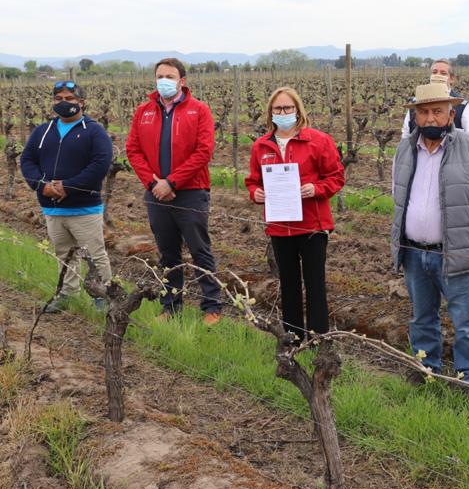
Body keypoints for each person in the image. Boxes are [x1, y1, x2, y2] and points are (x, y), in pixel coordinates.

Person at [391, 82, 469, 403]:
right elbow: (398, 196)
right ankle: (427, 369)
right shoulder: (404, 151)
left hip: (455, 253)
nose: (430, 118)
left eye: (437, 111)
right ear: (415, 116)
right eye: (423, 112)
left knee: (465, 320)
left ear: (451, 114)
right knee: (421, 317)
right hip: (414, 253)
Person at [125, 57, 222, 324]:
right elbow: (133, 149)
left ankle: (212, 307)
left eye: (169, 76)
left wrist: (173, 181)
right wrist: (153, 183)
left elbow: (204, 151)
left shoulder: (199, 110)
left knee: (199, 249)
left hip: (190, 191)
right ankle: (171, 306)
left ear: (182, 81)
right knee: (167, 252)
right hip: (155, 192)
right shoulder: (144, 111)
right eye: (159, 76)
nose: (163, 81)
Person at [246, 87, 345, 341]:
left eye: (287, 108)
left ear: (298, 110)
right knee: (289, 286)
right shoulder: (261, 146)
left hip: (312, 226)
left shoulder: (319, 141)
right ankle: (292, 338)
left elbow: (336, 177)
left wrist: (317, 188)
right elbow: (253, 180)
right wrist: (255, 192)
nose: (283, 113)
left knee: (315, 286)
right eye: (277, 109)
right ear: (271, 113)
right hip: (279, 227)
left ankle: (319, 340)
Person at [20, 81, 113, 311]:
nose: (63, 103)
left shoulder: (94, 131)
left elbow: (100, 164)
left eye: (69, 98)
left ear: (81, 102)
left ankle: (103, 296)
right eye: (58, 98)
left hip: (84, 208)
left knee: (94, 254)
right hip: (52, 209)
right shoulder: (43, 131)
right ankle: (67, 294)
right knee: (64, 254)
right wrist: (42, 186)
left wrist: (67, 187)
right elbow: (27, 160)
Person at [401, 59, 469, 140]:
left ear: (451, 79)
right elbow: (406, 135)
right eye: (434, 72)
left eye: (443, 73)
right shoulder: (416, 103)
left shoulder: (463, 106)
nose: (438, 76)